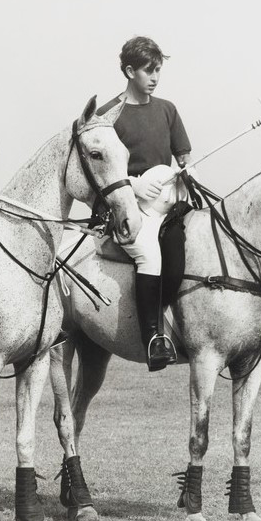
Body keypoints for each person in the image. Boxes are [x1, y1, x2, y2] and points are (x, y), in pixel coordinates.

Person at [97, 36, 192, 372]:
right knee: (149, 255)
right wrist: (133, 186)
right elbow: (98, 167)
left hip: (168, 205)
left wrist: (183, 171)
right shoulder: (107, 114)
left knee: (181, 261)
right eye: (148, 71)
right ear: (128, 70)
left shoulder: (167, 109)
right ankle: (153, 337)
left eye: (158, 70)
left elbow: (183, 156)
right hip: (128, 209)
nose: (155, 77)